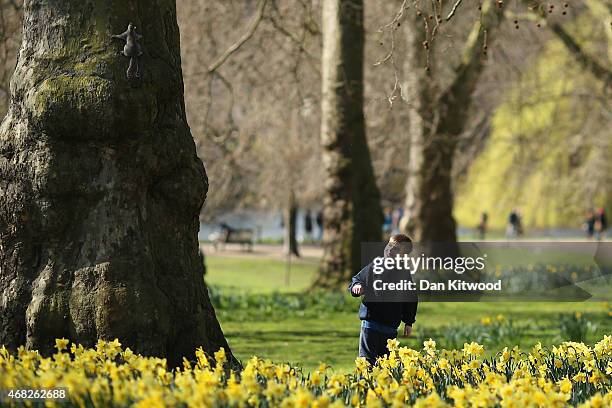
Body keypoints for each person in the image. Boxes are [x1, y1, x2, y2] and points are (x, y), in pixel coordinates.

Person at [348, 234, 418, 365]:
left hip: (390, 326)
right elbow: (358, 279)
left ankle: (381, 384)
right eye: (389, 245)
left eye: (396, 249)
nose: (390, 250)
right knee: (367, 361)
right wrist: (357, 287)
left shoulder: (404, 273)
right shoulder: (375, 265)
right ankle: (365, 383)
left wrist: (409, 321)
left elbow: (410, 298)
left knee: (385, 362)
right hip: (371, 322)